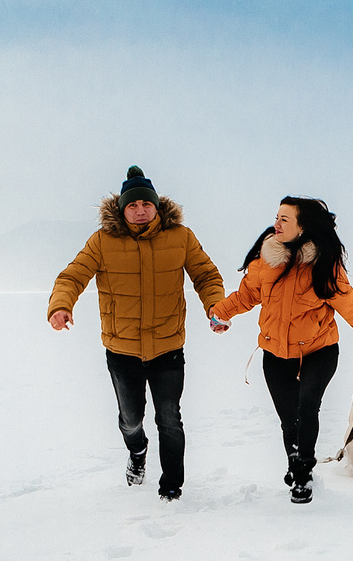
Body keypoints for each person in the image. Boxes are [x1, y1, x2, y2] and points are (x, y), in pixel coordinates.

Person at [210, 197, 353, 504]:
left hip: (318, 353)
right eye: (277, 217)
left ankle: (302, 473)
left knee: (306, 408)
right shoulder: (266, 260)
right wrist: (220, 313)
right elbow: (246, 295)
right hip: (275, 355)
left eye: (284, 219)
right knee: (289, 419)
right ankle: (295, 462)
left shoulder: (324, 267)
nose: (276, 224)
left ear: (302, 227)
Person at [47, 166, 225, 501]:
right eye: (133, 205)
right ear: (122, 209)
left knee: (169, 419)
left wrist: (215, 307)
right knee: (131, 421)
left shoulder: (181, 237)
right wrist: (61, 305)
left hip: (168, 347)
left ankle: (171, 489)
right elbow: (72, 276)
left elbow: (206, 275)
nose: (140, 210)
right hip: (122, 350)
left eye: (146, 204)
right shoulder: (102, 241)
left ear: (156, 206)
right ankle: (138, 450)